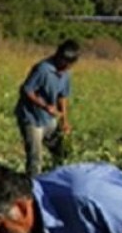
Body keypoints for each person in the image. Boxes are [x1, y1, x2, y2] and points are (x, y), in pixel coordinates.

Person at [16, 39, 79, 177]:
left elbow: (63, 96)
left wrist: (64, 120)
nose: (66, 67)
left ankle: (55, 178)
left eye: (69, 64)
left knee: (61, 151)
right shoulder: (43, 69)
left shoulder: (66, 73)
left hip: (50, 119)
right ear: (58, 56)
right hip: (32, 118)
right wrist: (44, 106)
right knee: (35, 158)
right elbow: (27, 90)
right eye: (64, 62)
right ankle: (33, 187)